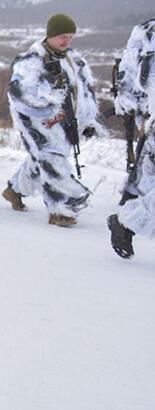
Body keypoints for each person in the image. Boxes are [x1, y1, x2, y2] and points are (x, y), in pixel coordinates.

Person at [2, 14, 107, 227]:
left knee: (42, 158)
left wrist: (88, 121)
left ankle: (14, 190)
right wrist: (49, 103)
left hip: (66, 121)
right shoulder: (31, 61)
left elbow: (85, 93)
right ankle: (60, 209)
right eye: (61, 36)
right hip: (36, 122)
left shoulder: (74, 60)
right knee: (52, 158)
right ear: (50, 35)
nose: (66, 41)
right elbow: (20, 94)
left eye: (70, 36)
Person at [108, 18, 155, 259]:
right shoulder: (147, 34)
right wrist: (141, 119)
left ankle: (126, 221)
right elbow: (129, 82)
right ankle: (127, 220)